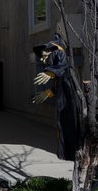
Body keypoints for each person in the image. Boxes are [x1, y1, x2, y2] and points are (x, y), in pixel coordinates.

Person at [33, 33, 81, 161]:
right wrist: (48, 92)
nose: (42, 60)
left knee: (69, 129)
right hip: (64, 102)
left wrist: (51, 72)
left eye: (43, 57)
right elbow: (62, 85)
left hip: (69, 105)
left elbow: (63, 65)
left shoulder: (60, 55)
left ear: (50, 52)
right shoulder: (59, 67)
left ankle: (72, 154)